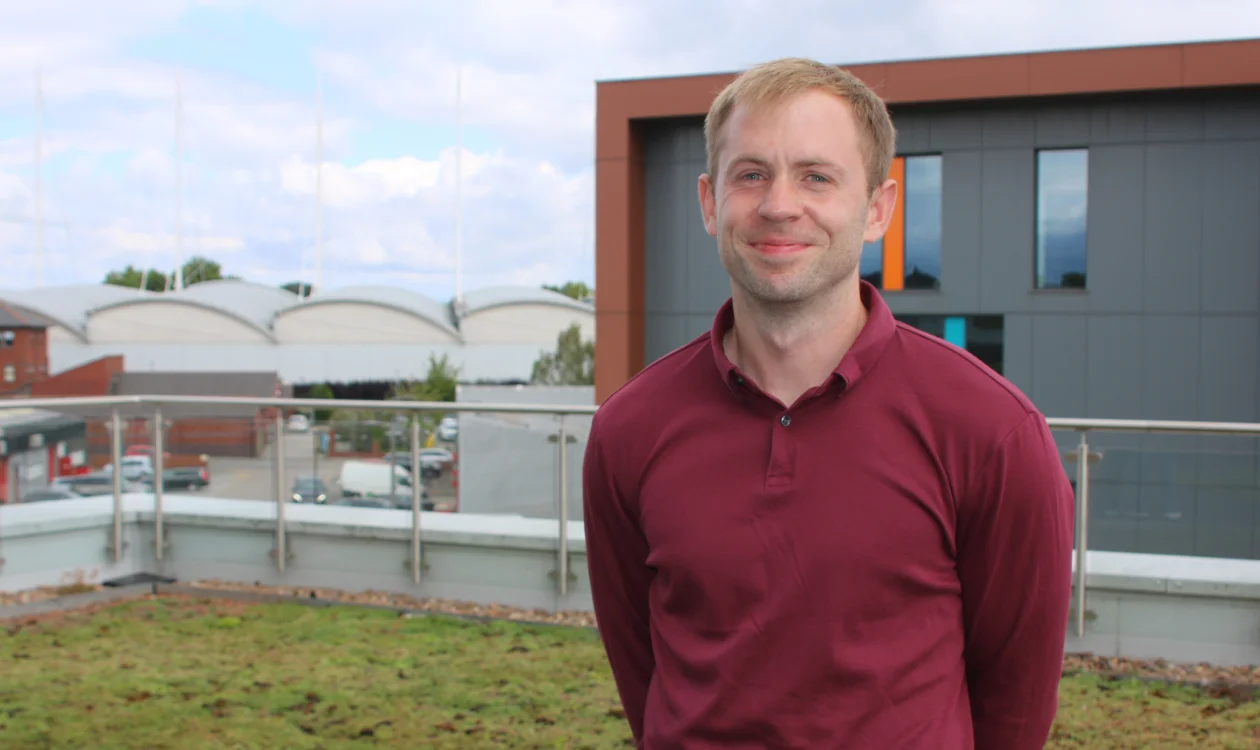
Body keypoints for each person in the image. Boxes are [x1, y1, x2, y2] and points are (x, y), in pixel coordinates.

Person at [582, 57, 1076, 750]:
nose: (779, 204)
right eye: (750, 174)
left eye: (816, 176)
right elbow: (644, 673)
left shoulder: (992, 430)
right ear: (708, 202)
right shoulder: (628, 429)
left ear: (878, 209)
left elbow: (1016, 703)